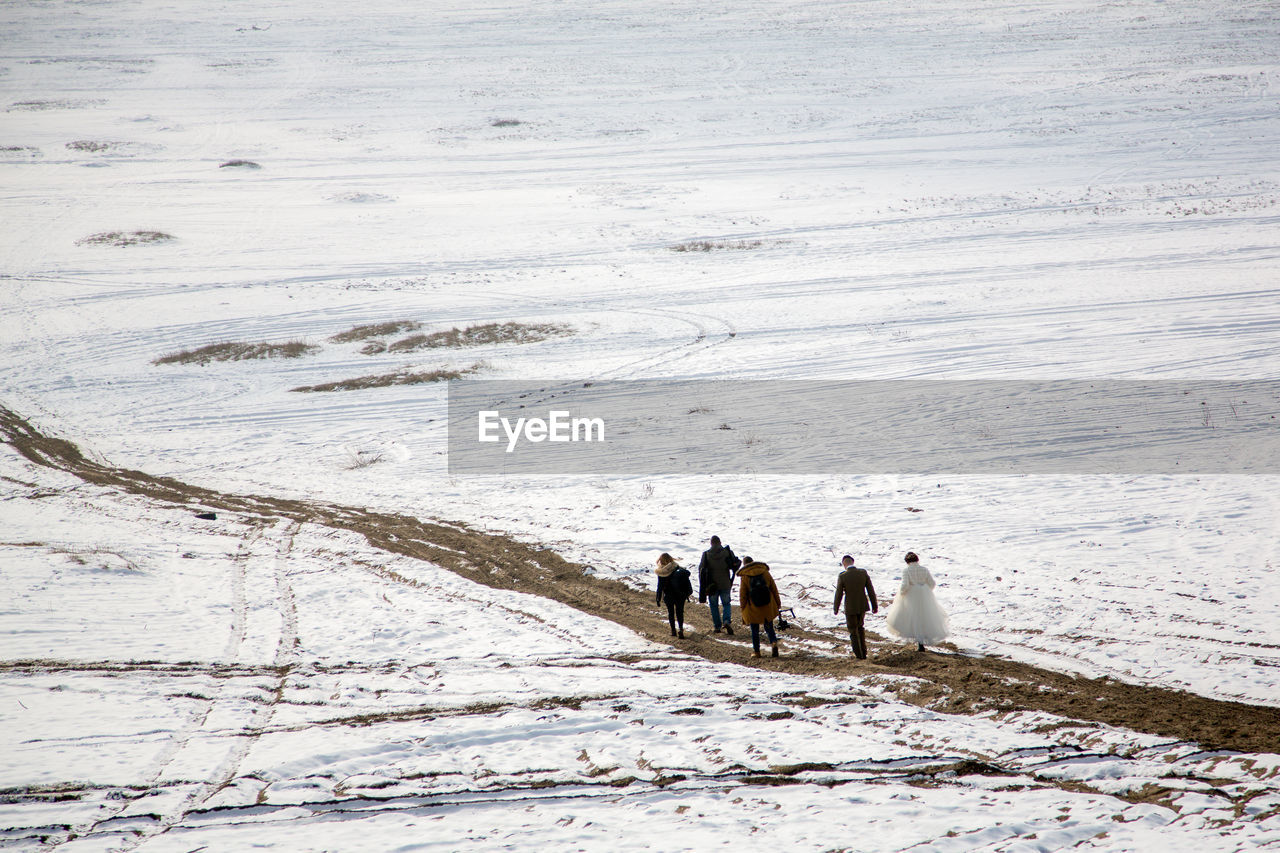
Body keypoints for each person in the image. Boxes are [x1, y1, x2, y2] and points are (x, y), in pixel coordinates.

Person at [884, 551, 949, 651]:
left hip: (912, 595)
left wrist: (901, 593)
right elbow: (932, 583)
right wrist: (926, 591)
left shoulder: (907, 571)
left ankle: (919, 643)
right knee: (925, 616)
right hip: (924, 594)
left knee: (913, 617)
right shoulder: (924, 569)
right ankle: (923, 640)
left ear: (907, 562)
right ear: (917, 560)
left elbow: (905, 585)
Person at [833, 555, 877, 659]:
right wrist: (874, 605)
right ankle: (864, 652)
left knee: (853, 631)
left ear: (844, 564)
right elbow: (871, 590)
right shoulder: (863, 573)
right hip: (862, 606)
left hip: (850, 607)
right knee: (860, 628)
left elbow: (838, 593)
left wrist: (836, 608)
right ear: (853, 562)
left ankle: (859, 655)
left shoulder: (843, 576)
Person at [737, 556, 782, 658]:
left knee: (754, 630)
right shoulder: (764, 572)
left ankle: (757, 652)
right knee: (769, 627)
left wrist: (743, 608)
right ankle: (774, 642)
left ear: (744, 565)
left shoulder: (745, 576)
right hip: (767, 604)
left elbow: (743, 594)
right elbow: (773, 588)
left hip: (753, 607)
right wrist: (778, 603)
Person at [698, 535, 741, 635]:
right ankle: (726, 621)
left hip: (712, 585)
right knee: (726, 604)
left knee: (714, 605)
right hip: (725, 583)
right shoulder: (727, 552)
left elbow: (701, 569)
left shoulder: (706, 554)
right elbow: (734, 564)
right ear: (720, 542)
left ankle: (717, 626)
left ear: (711, 543)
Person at [655, 553, 692, 638]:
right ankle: (681, 629)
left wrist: (658, 598)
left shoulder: (662, 572)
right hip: (680, 594)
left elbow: (659, 586)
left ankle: (673, 631)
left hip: (669, 595)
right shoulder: (677, 568)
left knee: (671, 613)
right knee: (680, 612)